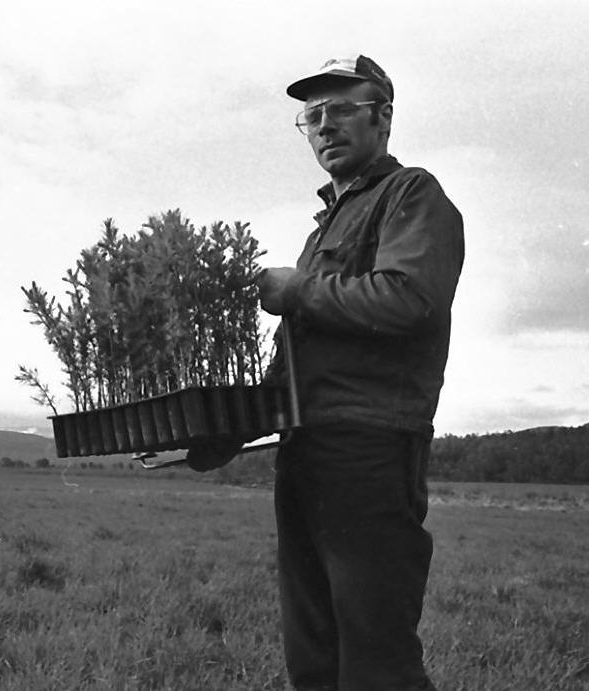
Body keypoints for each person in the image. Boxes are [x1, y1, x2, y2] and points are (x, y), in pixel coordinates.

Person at [254, 56, 464, 690]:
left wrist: (298, 290)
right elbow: (299, 348)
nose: (324, 125)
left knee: (377, 661)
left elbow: (408, 298)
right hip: (306, 451)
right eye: (312, 116)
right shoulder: (324, 227)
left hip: (370, 450)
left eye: (343, 109)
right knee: (313, 654)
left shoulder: (413, 195)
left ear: (384, 116)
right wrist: (225, 426)